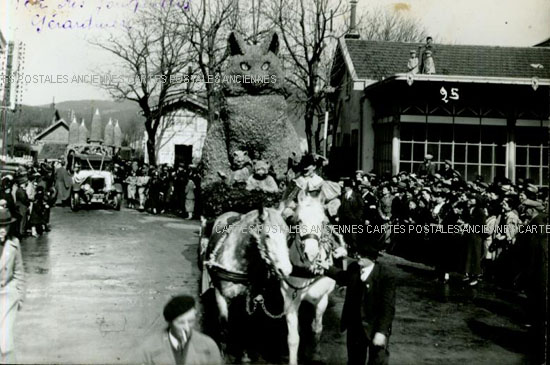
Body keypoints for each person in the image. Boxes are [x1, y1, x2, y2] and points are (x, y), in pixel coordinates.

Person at [323, 243, 396, 365]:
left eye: (362, 255)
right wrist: (326, 267)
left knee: (378, 361)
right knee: (354, 361)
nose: (358, 256)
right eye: (358, 253)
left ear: (372, 258)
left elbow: (388, 307)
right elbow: (343, 276)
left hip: (375, 327)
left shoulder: (385, 276)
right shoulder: (354, 268)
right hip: (355, 327)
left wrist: (382, 332)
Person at [141, 295, 222, 365]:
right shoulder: (149, 349)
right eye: (181, 323)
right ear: (169, 322)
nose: (187, 328)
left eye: (190, 321)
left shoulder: (209, 346)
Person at [0, 206, 26, 364]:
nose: (2, 230)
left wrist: (20, 296)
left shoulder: (14, 244)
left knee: (6, 342)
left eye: (5, 226)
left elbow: (19, 272)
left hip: (8, 298)